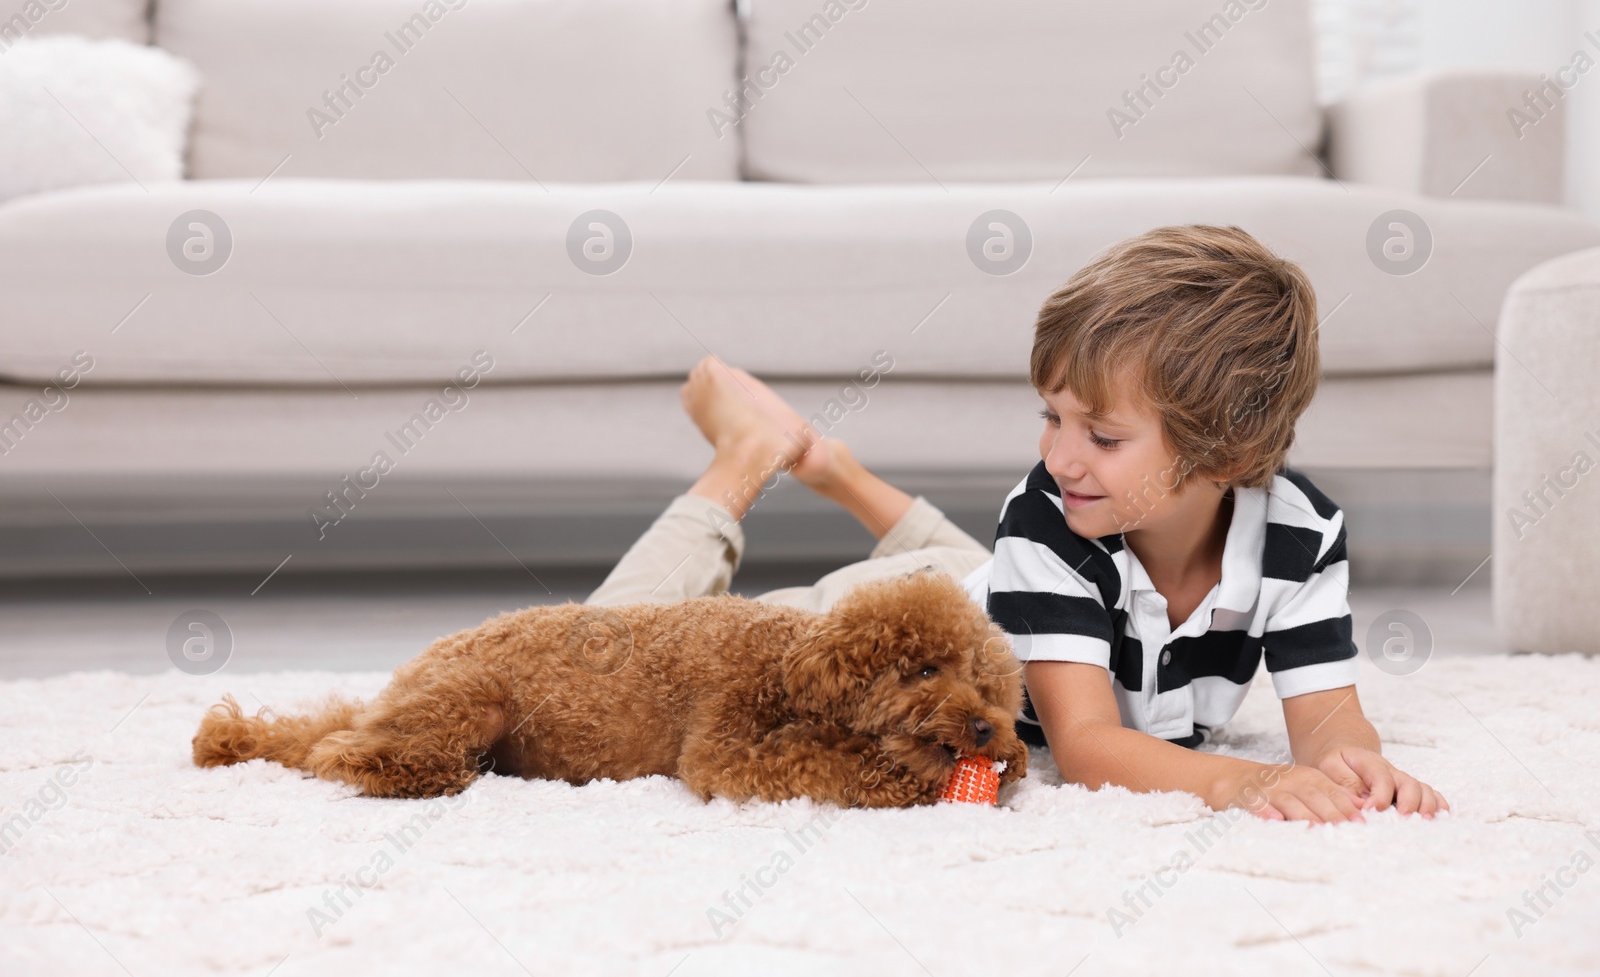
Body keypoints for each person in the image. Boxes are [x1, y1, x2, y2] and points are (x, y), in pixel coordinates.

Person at [587, 224, 1448, 824]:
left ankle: (837, 471)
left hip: (1003, 607)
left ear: (1226, 455)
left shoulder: (1301, 534)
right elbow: (1087, 747)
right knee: (619, 650)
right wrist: (1243, 782)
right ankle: (744, 455)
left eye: (1102, 435)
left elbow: (1329, 715)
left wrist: (1349, 761)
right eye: (1053, 416)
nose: (1061, 455)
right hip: (904, 620)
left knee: (1000, 579)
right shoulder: (1054, 515)